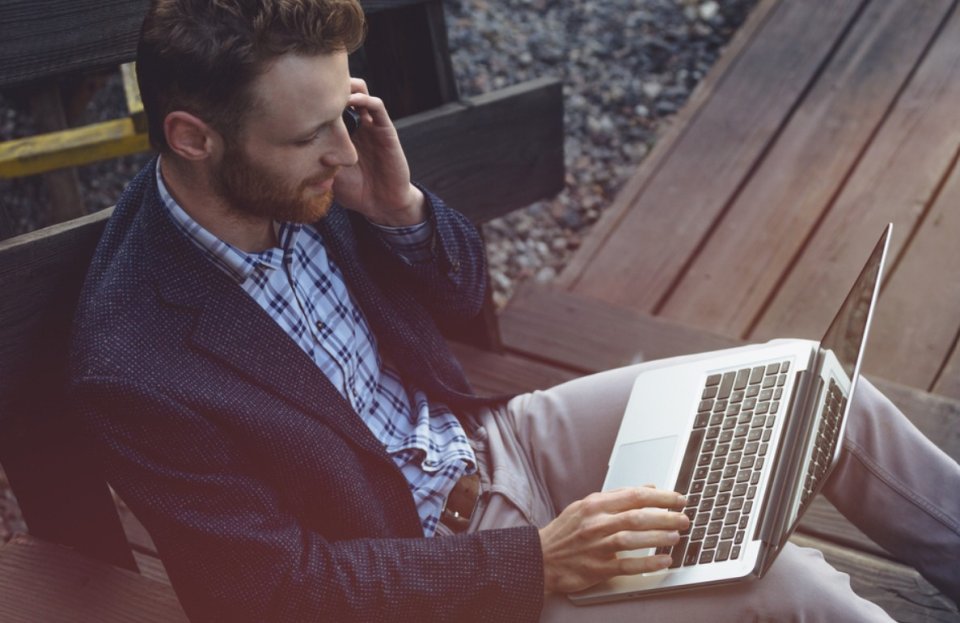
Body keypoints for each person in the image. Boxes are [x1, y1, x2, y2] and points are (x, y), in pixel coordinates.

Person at [68, 0, 960, 621]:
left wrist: (405, 212)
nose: (344, 153)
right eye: (313, 136)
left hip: (502, 441)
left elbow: (463, 304)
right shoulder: (135, 360)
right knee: (795, 589)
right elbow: (268, 595)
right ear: (192, 136)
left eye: (348, 112)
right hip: (448, 582)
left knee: (817, 387)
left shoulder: (313, 176)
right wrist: (536, 560)